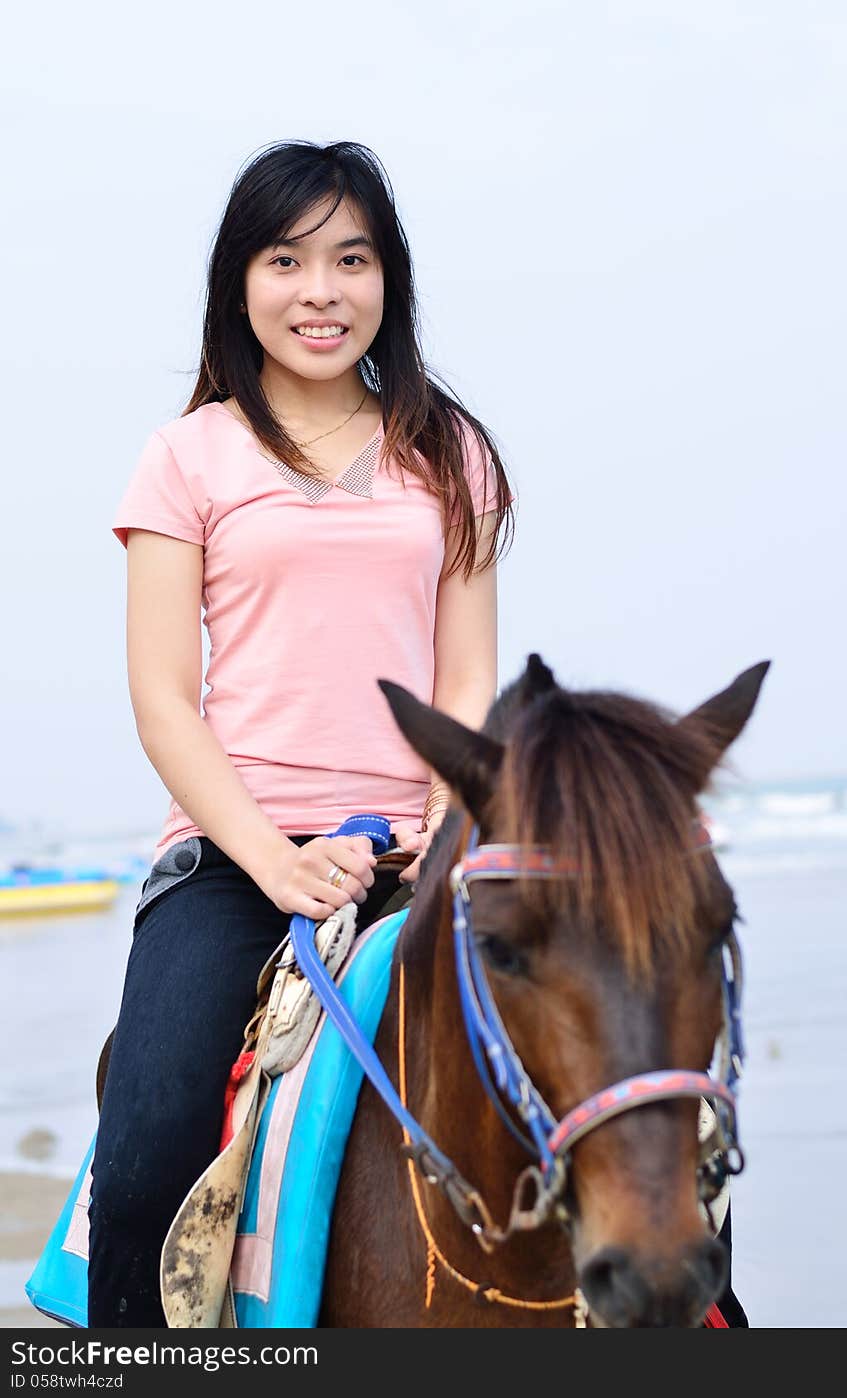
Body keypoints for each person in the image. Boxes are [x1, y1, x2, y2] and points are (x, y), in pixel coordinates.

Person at [87, 139, 515, 1327]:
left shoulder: (450, 451)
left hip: (427, 847)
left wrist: (442, 822)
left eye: (351, 259)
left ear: (390, 282)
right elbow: (165, 696)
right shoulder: (188, 455)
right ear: (241, 283)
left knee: (625, 1049)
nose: (319, 291)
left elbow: (466, 672)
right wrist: (276, 862)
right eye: (286, 260)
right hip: (235, 862)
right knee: (150, 1133)